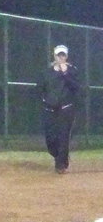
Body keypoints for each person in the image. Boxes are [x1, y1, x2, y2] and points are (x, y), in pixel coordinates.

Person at [40, 43, 79, 174]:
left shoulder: (72, 70)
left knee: (63, 137)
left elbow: (75, 87)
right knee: (50, 139)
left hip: (66, 109)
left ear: (66, 56)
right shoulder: (47, 72)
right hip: (50, 109)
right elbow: (40, 87)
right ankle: (59, 156)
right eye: (58, 55)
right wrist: (44, 100)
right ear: (54, 56)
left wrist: (65, 73)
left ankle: (61, 164)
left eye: (63, 55)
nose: (61, 57)